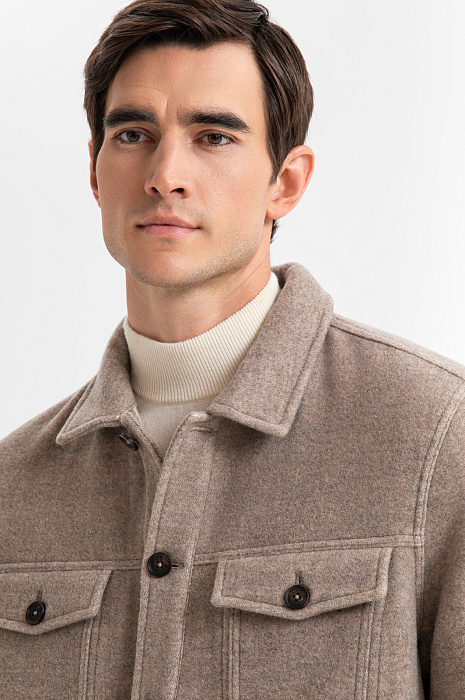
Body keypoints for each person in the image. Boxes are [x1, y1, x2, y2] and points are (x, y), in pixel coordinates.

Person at [1, 0, 464, 697]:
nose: (165, 174)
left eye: (213, 136)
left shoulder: (436, 435)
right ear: (95, 174)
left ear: (286, 182)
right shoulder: (13, 489)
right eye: (132, 134)